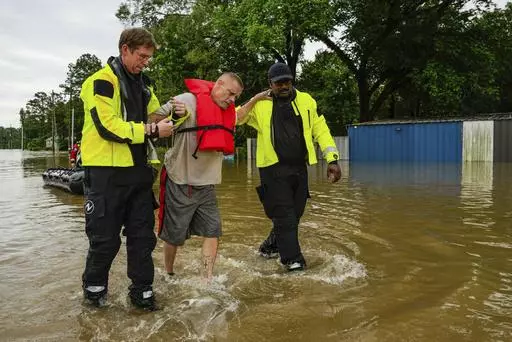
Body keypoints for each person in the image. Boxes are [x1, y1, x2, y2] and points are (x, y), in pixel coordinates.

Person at [79, 27, 174, 310]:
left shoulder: (146, 85)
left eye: (149, 57)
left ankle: (142, 293)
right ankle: (94, 295)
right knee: (104, 240)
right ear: (125, 49)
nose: (146, 62)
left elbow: (155, 117)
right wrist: (153, 128)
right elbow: (107, 126)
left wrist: (173, 113)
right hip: (106, 174)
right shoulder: (101, 82)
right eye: (142, 56)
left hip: (139, 173)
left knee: (143, 238)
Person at [236, 62, 342, 272]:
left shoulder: (306, 101)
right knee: (285, 214)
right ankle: (293, 262)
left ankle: (269, 247)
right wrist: (256, 98)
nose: (284, 86)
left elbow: (320, 129)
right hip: (272, 170)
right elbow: (235, 118)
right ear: (270, 84)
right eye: (279, 83)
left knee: (296, 213)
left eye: (287, 82)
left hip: (299, 168)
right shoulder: (260, 105)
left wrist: (332, 159)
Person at [150, 72, 244, 283]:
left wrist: (257, 99)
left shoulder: (228, 112)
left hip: (207, 184)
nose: (232, 100)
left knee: (213, 230)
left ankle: (207, 279)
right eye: (230, 93)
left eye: (236, 97)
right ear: (219, 84)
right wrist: (174, 115)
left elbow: (243, 113)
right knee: (173, 236)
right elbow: (152, 120)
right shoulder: (185, 100)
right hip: (179, 178)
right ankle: (169, 273)